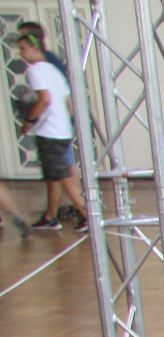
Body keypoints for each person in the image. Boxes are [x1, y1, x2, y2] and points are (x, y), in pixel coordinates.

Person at [8, 30, 86, 232]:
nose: (21, 53)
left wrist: (30, 121)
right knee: (56, 175)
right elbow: (68, 103)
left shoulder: (35, 71)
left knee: (64, 178)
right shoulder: (54, 71)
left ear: (35, 48)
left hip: (50, 133)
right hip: (61, 131)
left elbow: (44, 99)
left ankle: (87, 215)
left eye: (23, 48)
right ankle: (51, 217)